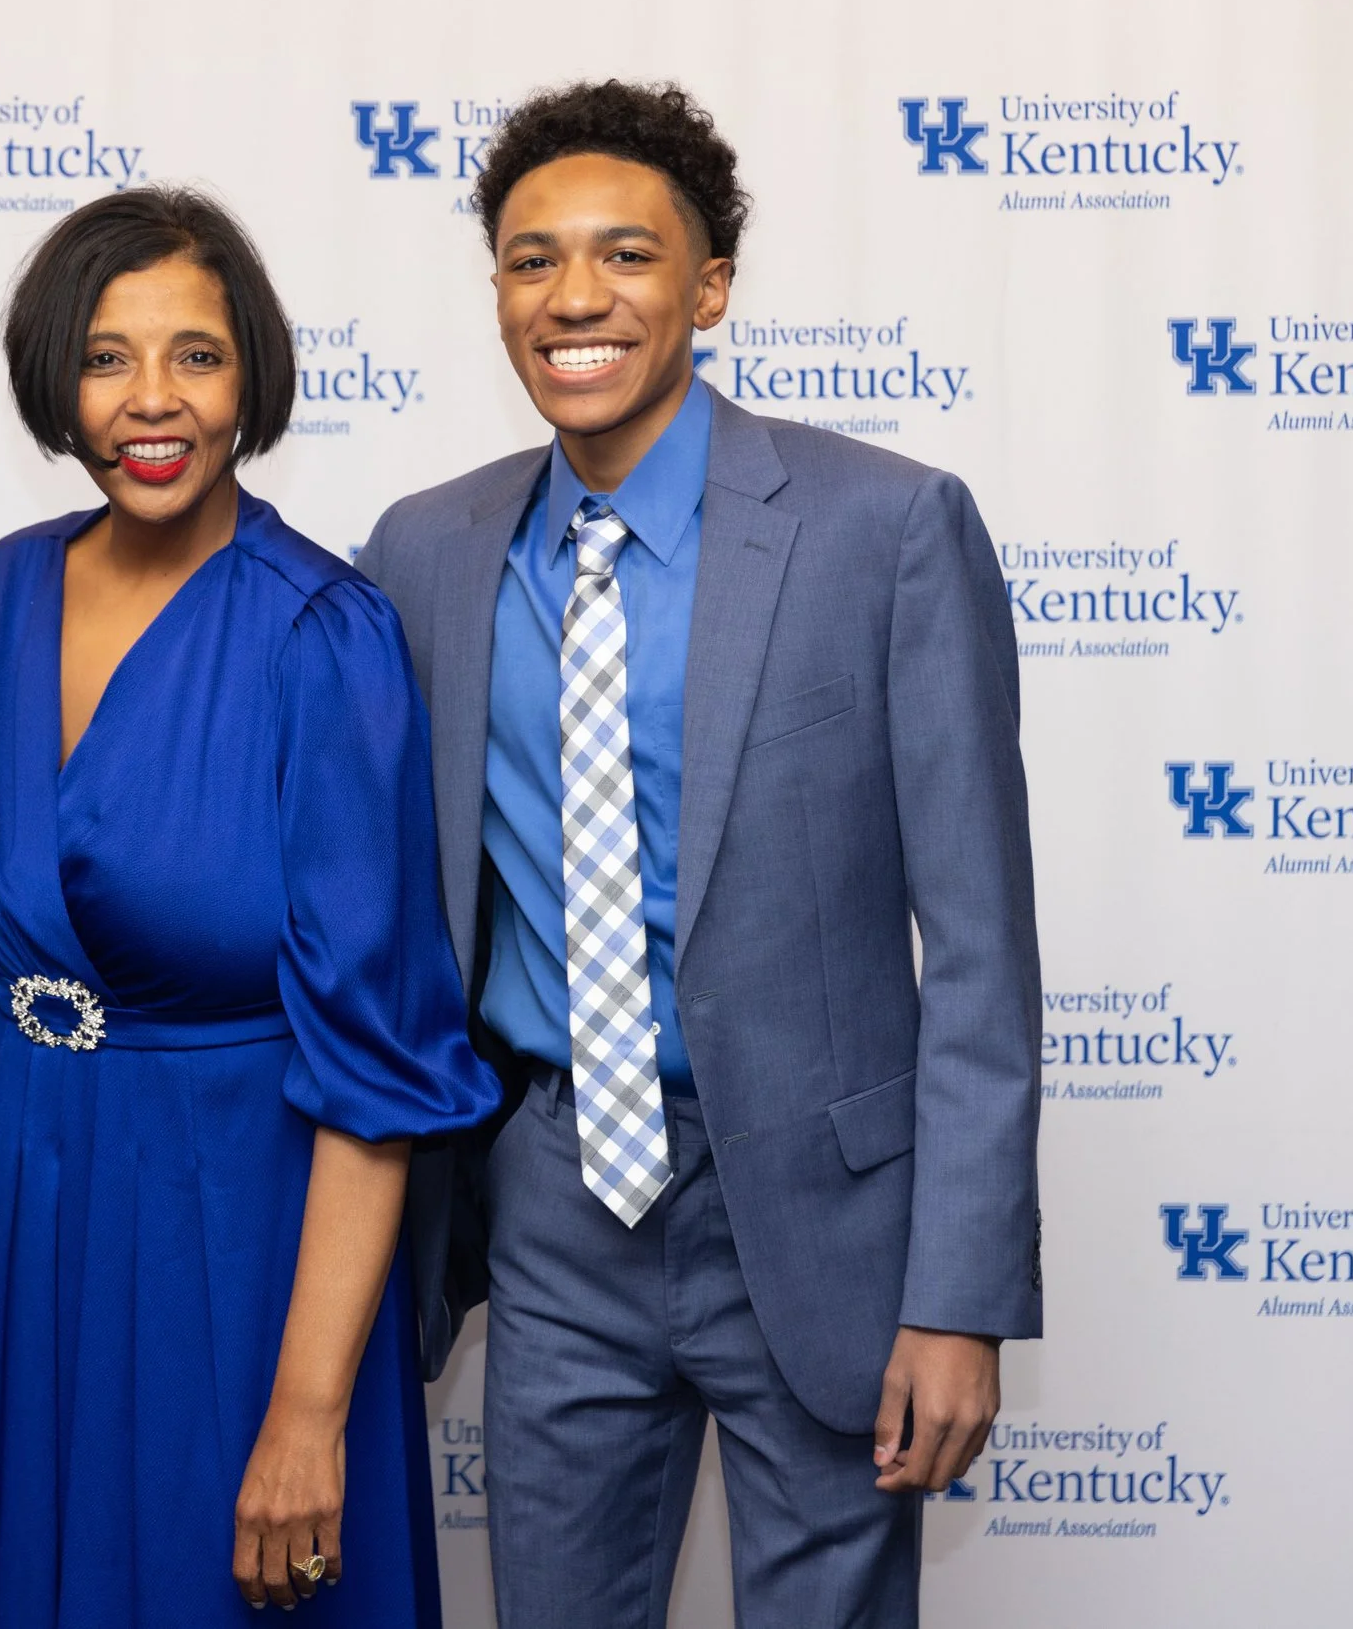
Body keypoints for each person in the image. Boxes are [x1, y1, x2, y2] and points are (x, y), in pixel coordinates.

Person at [360, 82, 1041, 1628]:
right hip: (548, 1203)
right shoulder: (424, 553)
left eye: (625, 256)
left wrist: (960, 1298)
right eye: (532, 262)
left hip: (815, 1211)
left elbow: (986, 954)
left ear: (709, 287)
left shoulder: (886, 528)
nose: (575, 299)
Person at [0, 186, 499, 1625]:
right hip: (36, 1203)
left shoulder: (321, 636)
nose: (152, 400)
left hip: (248, 1240)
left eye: (196, 355)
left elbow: (380, 1068)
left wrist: (308, 1413)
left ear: (252, 376)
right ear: (57, 383)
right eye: (106, 357)